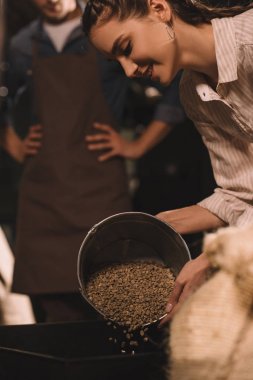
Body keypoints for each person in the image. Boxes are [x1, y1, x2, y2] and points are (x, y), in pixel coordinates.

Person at [0, 0, 181, 322]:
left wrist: (138, 145)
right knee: (54, 320)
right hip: (44, 192)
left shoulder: (106, 34)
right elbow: (9, 96)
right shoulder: (22, 45)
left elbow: (175, 87)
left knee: (112, 297)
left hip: (98, 186)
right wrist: (12, 139)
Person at [82, 0, 253, 323]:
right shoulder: (194, 94)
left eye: (126, 47)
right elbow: (243, 192)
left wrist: (217, 255)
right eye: (115, 61)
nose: (129, 70)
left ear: (159, 8)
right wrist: (161, 227)